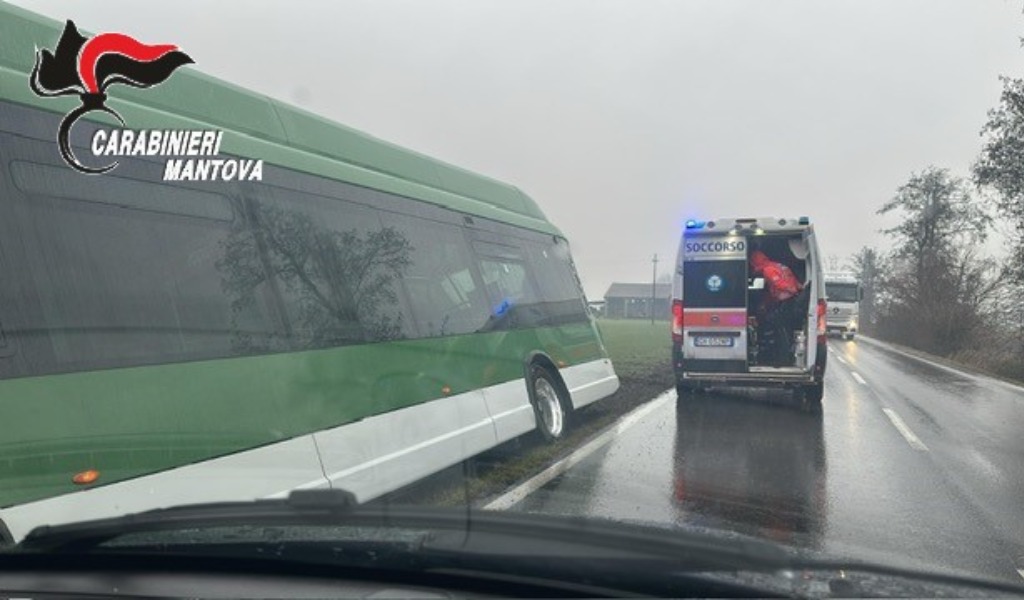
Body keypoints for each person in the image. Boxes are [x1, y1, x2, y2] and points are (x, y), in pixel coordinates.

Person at [749, 250, 807, 364]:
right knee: (784, 330)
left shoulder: (768, 270)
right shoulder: (780, 266)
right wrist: (798, 289)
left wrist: (791, 290)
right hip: (791, 302)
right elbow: (794, 282)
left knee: (774, 327)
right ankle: (785, 355)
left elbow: (778, 284)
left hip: (785, 302)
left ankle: (775, 356)